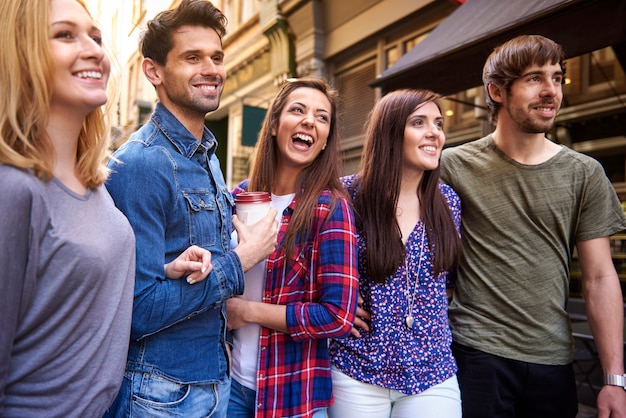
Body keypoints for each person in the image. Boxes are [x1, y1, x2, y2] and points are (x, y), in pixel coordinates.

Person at [104, 1, 277, 417]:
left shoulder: (209, 158)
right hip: (159, 392)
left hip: (214, 379)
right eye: (192, 57)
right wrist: (242, 258)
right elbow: (137, 308)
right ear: (154, 71)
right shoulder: (141, 164)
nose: (212, 69)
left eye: (216, 57)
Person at [439, 34, 626, 417]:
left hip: (553, 359)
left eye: (557, 78)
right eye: (534, 79)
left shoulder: (585, 173)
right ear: (497, 91)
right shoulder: (451, 166)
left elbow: (599, 277)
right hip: (474, 354)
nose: (551, 91)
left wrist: (614, 379)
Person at [0, 0, 134, 416]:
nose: (95, 49)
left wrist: (168, 267)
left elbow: (67, 277)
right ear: (20, 53)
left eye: (95, 36)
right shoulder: (14, 189)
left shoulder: (92, 181)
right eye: (65, 35)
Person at [226, 77, 359, 418]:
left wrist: (247, 312)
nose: (309, 121)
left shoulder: (329, 207)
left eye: (322, 117)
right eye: (297, 110)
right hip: (225, 387)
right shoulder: (235, 198)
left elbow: (338, 316)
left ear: (326, 138)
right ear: (273, 124)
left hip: (289, 397)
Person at [328, 89, 463, 418]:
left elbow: (446, 282)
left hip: (432, 373)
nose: (434, 132)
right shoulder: (346, 196)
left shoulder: (448, 202)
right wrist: (335, 302)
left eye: (439, 123)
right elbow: (313, 266)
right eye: (419, 122)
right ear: (389, 133)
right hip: (356, 369)